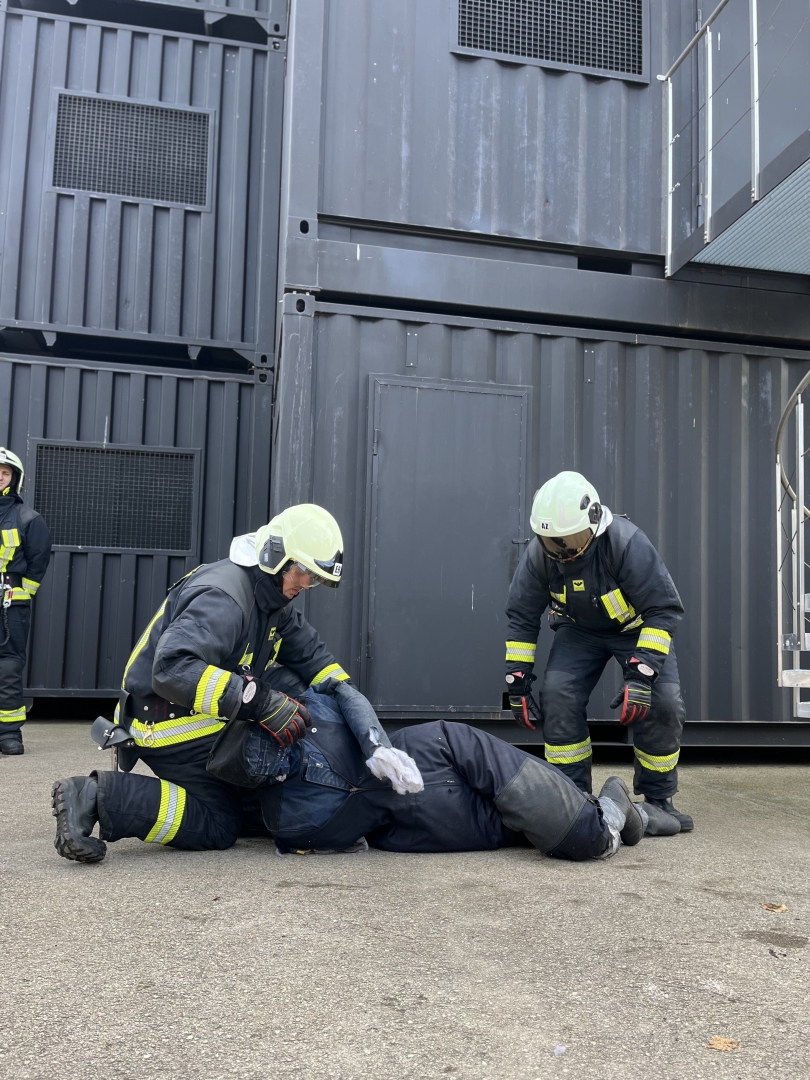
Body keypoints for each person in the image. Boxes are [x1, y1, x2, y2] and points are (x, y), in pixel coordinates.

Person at [51, 504, 350, 862]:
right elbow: (172, 668)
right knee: (220, 823)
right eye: (302, 572)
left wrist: (356, 712)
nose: (305, 584)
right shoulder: (224, 599)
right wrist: (259, 702)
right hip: (165, 722)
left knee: (264, 787)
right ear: (276, 556)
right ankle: (95, 796)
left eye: (313, 579)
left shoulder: (272, 600)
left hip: (199, 714)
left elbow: (315, 660)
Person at [503, 471, 692, 832]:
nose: (562, 552)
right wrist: (517, 681)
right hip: (579, 632)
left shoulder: (626, 544)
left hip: (637, 629)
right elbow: (522, 616)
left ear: (594, 522)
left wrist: (643, 674)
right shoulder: (540, 556)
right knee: (558, 694)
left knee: (664, 702)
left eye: (570, 540)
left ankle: (658, 801)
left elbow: (663, 609)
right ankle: (572, 799)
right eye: (552, 542)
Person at [0, 448, 52, 755]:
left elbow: (38, 560)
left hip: (10, 606)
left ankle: (9, 733)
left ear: (14, 478)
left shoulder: (28, 519)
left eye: (4, 473)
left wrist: (21, 593)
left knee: (8, 668)